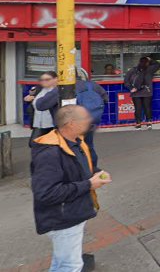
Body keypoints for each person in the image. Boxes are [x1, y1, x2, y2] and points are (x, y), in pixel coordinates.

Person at [31, 105, 112, 272]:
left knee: (61, 262)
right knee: (71, 266)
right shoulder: (49, 154)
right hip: (62, 219)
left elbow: (79, 168)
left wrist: (96, 173)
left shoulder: (76, 142)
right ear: (71, 124)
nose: (90, 121)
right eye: (85, 118)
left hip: (72, 213)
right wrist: (89, 184)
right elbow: (46, 193)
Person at [75, 68, 109, 168]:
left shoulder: (66, 87)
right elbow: (105, 99)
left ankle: (81, 169)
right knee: (89, 145)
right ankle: (93, 168)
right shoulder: (92, 85)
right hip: (92, 119)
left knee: (74, 146)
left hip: (75, 121)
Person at [124, 56, 160, 129]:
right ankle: (149, 123)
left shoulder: (133, 70)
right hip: (147, 91)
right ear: (147, 62)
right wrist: (150, 59)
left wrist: (131, 88)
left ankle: (138, 124)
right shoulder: (150, 69)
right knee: (147, 108)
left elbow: (126, 80)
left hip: (135, 92)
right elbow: (159, 64)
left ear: (139, 62)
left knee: (138, 108)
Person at [25, 71, 60, 147]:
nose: (44, 82)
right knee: (34, 144)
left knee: (48, 145)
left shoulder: (57, 91)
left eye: (47, 79)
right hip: (38, 123)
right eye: (42, 80)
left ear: (55, 79)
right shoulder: (39, 89)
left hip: (51, 124)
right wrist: (29, 99)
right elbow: (33, 103)